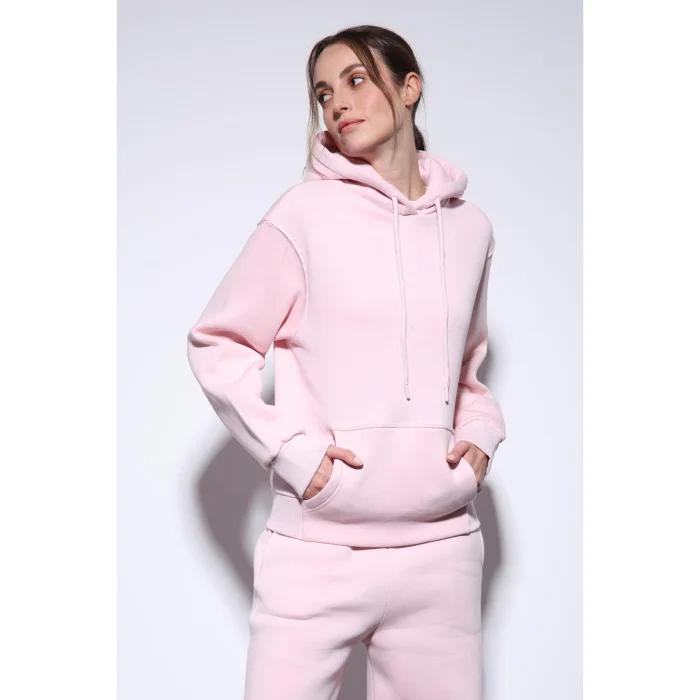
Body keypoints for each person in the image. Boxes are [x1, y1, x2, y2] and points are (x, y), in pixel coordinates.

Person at [186, 24, 506, 700]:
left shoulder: (471, 229)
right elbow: (218, 341)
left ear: (409, 88)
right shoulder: (302, 215)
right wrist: (295, 456)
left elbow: (466, 369)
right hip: (318, 551)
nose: (337, 103)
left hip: (441, 551)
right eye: (323, 92)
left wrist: (480, 432)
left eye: (356, 80)